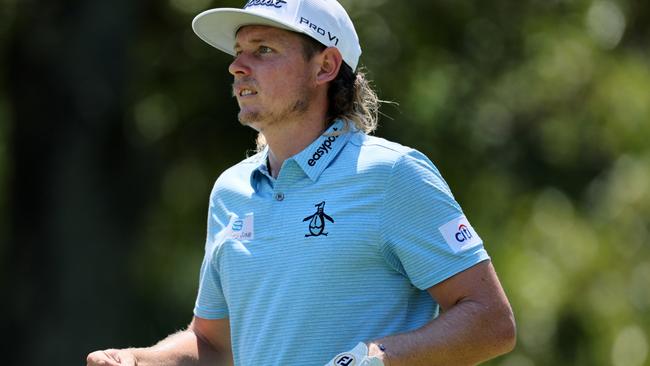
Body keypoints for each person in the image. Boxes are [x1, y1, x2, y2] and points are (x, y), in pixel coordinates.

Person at [87, 0, 516, 365]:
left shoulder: (392, 174)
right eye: (238, 52)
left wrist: (374, 357)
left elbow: (492, 321)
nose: (238, 66)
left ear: (325, 66)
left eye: (264, 50)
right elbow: (215, 343)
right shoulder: (230, 191)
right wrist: (141, 359)